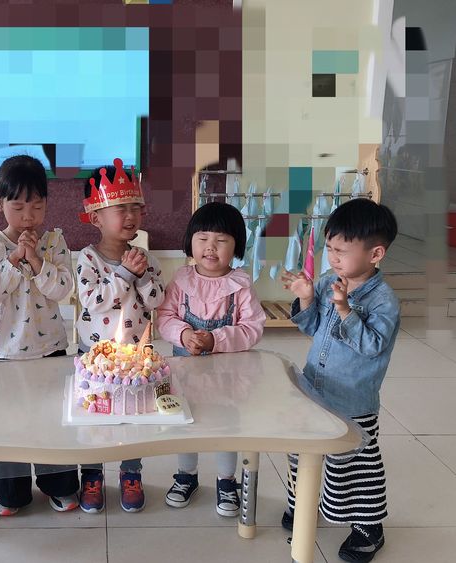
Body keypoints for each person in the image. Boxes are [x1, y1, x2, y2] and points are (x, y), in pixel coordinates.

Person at [281, 198, 399, 563]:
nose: (332, 258)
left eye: (341, 251)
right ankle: (304, 503)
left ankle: (368, 527)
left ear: (375, 253)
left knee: (353, 463)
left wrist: (346, 309)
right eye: (329, 248)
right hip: (314, 388)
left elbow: (372, 345)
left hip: (352, 400)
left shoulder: (384, 301)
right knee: (302, 449)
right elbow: (314, 328)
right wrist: (306, 299)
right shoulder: (328, 281)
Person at [0, 155, 80, 515]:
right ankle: (8, 490)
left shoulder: (55, 241)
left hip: (50, 346)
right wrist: (13, 259)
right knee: (10, 420)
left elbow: (63, 289)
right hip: (7, 351)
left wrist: (36, 260)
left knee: (52, 416)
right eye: (18, 207)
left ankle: (60, 483)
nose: (28, 216)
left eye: (37, 206)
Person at [156, 202, 265, 512]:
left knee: (225, 426)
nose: (210, 247)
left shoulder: (240, 285)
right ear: (190, 241)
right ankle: (186, 475)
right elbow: (165, 317)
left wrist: (216, 339)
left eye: (221, 240)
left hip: (228, 375)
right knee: (184, 423)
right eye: (203, 238)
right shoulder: (181, 280)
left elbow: (253, 328)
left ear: (236, 245)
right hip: (184, 373)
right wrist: (183, 335)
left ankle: (226, 480)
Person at [75, 158, 165, 514]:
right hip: (95, 357)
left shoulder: (146, 258)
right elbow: (93, 301)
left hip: (136, 359)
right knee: (94, 416)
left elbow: (156, 300)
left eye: (136, 208)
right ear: (95, 217)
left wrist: (141, 276)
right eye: (120, 208)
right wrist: (124, 274)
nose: (131, 216)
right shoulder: (87, 258)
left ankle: (131, 473)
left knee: (133, 416)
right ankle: (91, 475)